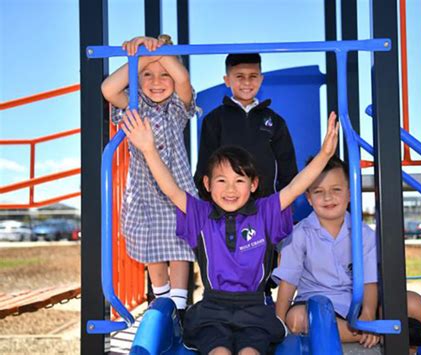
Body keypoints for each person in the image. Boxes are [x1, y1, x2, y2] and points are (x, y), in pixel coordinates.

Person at [120, 109, 339, 355]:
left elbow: (296, 187)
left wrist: (325, 154)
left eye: (240, 181)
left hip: (254, 310)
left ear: (254, 185)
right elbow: (171, 189)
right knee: (219, 352)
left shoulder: (264, 212)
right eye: (222, 181)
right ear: (207, 184)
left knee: (249, 353)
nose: (230, 189)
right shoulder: (201, 215)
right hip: (213, 311)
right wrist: (149, 150)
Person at [273, 156, 421, 351]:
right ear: (309, 198)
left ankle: (381, 333)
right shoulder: (298, 234)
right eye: (318, 192)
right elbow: (288, 282)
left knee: (416, 304)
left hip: (355, 303)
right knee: (296, 319)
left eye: (336, 190)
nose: (327, 197)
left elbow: (370, 281)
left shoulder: (364, 234)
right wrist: (278, 325)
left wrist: (368, 313)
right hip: (318, 304)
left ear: (349, 194)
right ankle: (379, 334)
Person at [101, 35, 197, 315]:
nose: (157, 81)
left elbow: (182, 77)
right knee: (151, 246)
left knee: (180, 246)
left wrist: (157, 49)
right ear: (137, 78)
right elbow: (108, 89)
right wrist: (141, 54)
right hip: (144, 191)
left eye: (163, 74)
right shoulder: (134, 105)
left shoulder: (178, 107)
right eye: (147, 74)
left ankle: (179, 306)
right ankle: (161, 301)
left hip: (176, 187)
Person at [195, 53, 298, 302]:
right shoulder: (214, 120)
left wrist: (285, 203)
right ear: (227, 80)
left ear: (261, 79)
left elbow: (287, 165)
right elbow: (205, 165)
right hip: (225, 207)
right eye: (239, 76)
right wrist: (207, 200)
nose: (246, 82)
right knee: (227, 254)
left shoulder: (274, 121)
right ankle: (220, 299)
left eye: (253, 76)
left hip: (262, 205)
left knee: (262, 255)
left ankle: (262, 296)